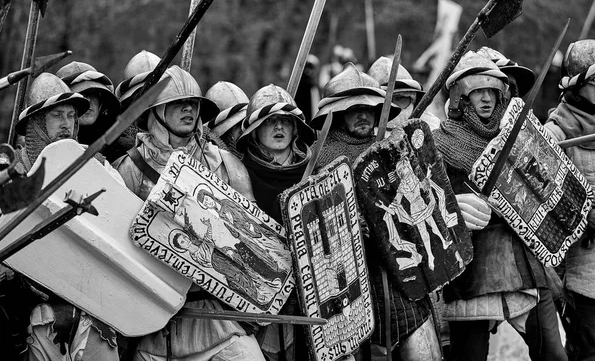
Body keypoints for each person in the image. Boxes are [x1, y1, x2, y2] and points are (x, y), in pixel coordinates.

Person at [113, 65, 264, 360]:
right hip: (153, 325)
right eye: (176, 104)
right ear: (155, 111)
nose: (188, 110)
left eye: (193, 104)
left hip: (219, 318)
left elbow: (253, 244)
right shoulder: (128, 170)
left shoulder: (225, 164)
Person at [433, 51, 567, 361]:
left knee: (553, 355)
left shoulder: (519, 135)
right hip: (472, 264)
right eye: (477, 91)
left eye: (492, 91)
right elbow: (429, 205)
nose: (486, 99)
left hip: (521, 257)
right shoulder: (440, 143)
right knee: (470, 356)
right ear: (460, 97)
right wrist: (454, 207)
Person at [312, 62, 440, 360]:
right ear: (337, 113)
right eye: (353, 108)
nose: (362, 114)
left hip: (396, 271)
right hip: (346, 281)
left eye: (368, 107)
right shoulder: (319, 159)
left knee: (424, 350)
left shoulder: (390, 149)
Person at [13, 72, 120, 361]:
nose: (67, 124)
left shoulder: (98, 167)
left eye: (72, 116)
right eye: (57, 115)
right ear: (36, 122)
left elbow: (118, 225)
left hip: (92, 308)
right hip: (31, 312)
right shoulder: (12, 172)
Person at [236, 83, 315, 361]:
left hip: (313, 291)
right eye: (269, 121)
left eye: (285, 121)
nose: (278, 127)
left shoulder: (316, 172)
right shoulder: (237, 172)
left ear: (295, 129)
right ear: (254, 130)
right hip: (260, 291)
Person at [544, 39, 595, 361]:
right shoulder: (556, 134)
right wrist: (582, 214)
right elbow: (537, 203)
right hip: (582, 276)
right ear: (590, 81)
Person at [55, 61, 121, 160]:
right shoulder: (49, 146)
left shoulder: (122, 148)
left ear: (101, 103)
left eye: (93, 93)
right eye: (81, 94)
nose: (88, 100)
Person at [367, 56, 427, 133]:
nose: (392, 106)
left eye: (399, 98)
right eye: (385, 101)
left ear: (413, 101)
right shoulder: (361, 134)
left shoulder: (431, 128)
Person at [204, 81, 249, 159]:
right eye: (237, 125)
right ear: (224, 134)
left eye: (246, 123)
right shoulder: (208, 161)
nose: (243, 129)